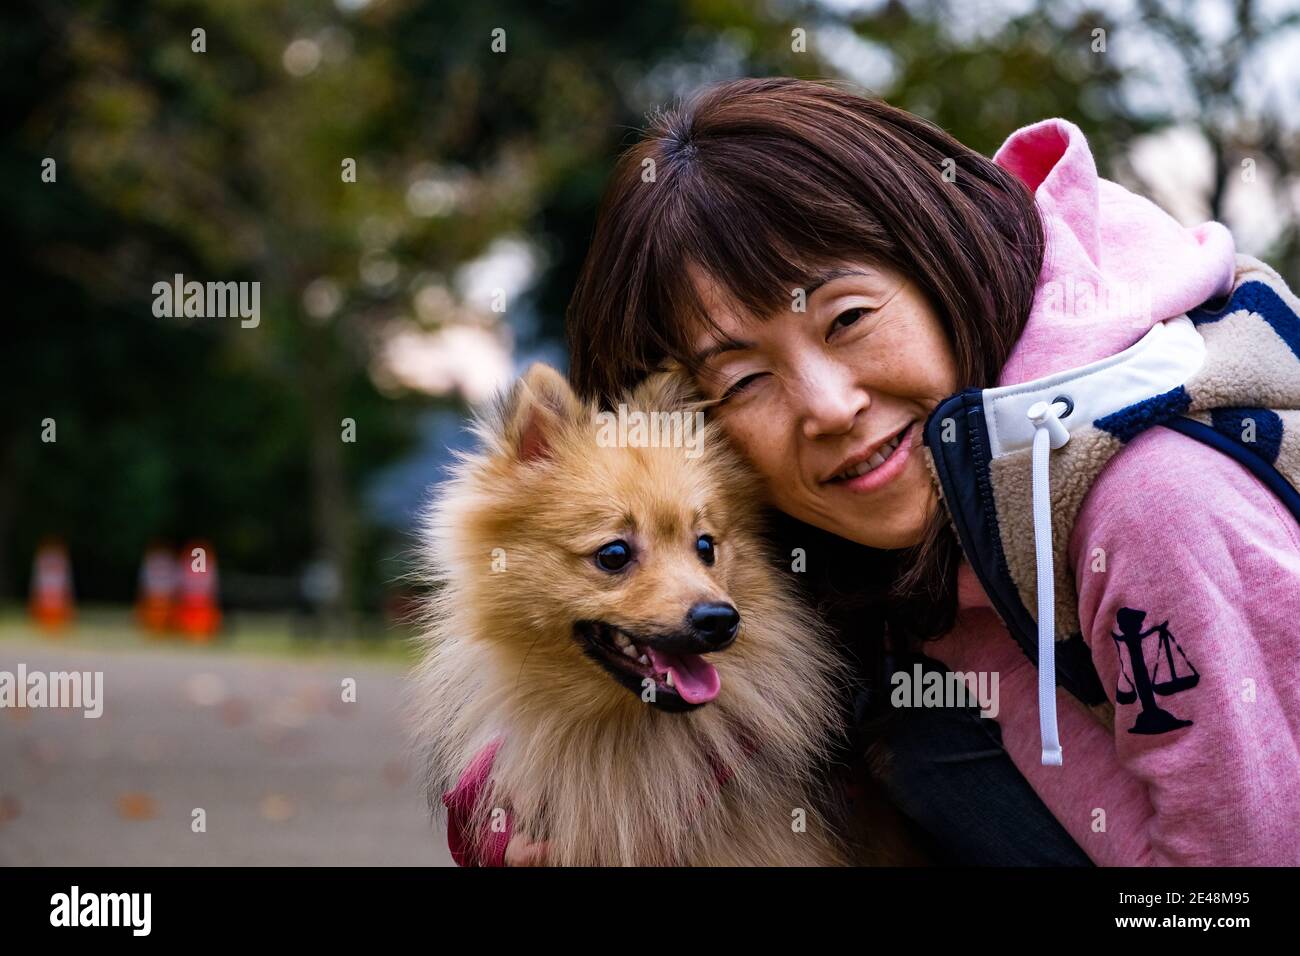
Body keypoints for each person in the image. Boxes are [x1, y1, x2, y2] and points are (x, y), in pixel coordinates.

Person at [455, 77, 1300, 865]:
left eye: (848, 317)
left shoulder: (1157, 503)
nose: (826, 404)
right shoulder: (845, 502)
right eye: (743, 378)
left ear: (941, 259)